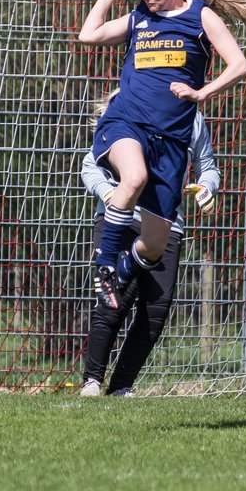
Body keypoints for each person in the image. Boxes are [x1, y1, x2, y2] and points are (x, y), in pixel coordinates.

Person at [78, 0, 246, 319]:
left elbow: (239, 65)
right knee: (134, 177)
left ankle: (123, 269)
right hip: (126, 122)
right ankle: (106, 267)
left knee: (155, 246)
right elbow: (88, 35)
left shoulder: (200, 17)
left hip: (171, 140)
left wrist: (200, 93)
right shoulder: (140, 16)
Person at [79, 105, 220, 397]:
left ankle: (121, 386)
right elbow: (90, 165)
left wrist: (206, 186)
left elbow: (208, 166)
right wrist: (110, 195)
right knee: (113, 300)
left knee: (156, 310)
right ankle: (92, 381)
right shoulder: (125, 105)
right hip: (120, 220)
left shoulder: (192, 118)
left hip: (167, 225)